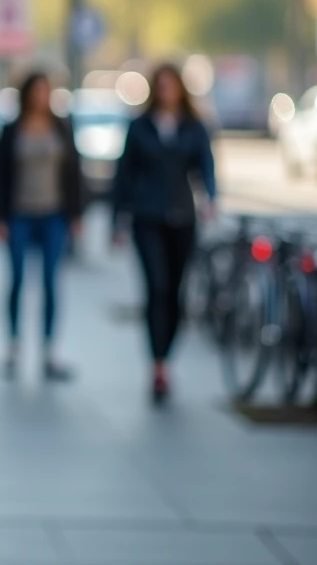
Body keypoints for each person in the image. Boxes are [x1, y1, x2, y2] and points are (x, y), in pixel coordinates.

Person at [112, 64, 216, 403]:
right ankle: (158, 366)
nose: (166, 92)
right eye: (161, 86)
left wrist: (211, 198)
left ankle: (166, 356)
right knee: (156, 288)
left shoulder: (194, 126)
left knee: (176, 294)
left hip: (183, 217)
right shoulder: (139, 127)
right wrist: (118, 219)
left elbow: (206, 166)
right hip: (148, 216)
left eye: (172, 86)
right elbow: (123, 175)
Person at [0, 73, 83, 381]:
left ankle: (49, 350)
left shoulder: (61, 127)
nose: (41, 97)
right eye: (37, 91)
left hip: (53, 214)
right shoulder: (12, 130)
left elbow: (74, 173)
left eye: (46, 91)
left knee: (51, 282)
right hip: (19, 214)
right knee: (16, 279)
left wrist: (76, 214)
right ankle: (14, 345)